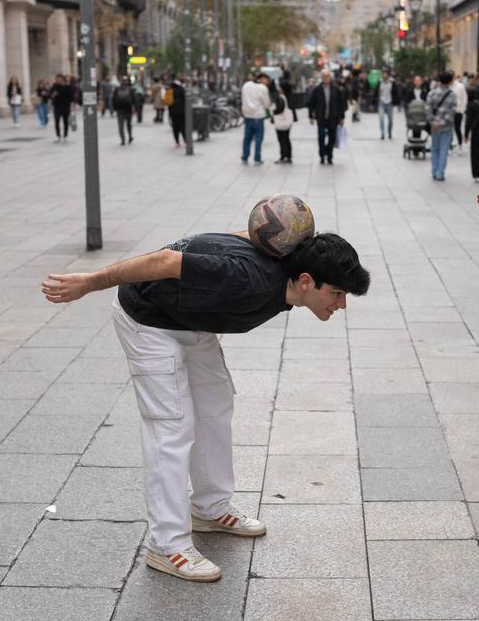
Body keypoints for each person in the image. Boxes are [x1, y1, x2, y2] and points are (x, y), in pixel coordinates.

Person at [41, 227, 371, 583]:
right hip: (149, 319)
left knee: (215, 406)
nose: (342, 304)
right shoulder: (247, 280)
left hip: (193, 316)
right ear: (306, 281)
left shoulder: (290, 256)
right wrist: (90, 282)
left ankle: (210, 509)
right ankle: (167, 545)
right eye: (337, 293)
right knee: (171, 426)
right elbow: (164, 261)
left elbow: (247, 233)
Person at [306, 70, 346, 165]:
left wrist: (341, 118)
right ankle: (322, 155)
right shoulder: (317, 89)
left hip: (333, 118)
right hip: (321, 118)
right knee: (321, 136)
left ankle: (329, 155)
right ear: (322, 78)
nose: (326, 78)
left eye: (327, 76)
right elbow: (311, 103)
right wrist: (311, 116)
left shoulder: (335, 89)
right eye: (324, 76)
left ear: (330, 78)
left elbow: (341, 104)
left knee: (332, 138)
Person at [426, 72, 457, 182]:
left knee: (434, 149)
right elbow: (452, 112)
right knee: (443, 150)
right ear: (449, 81)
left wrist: (434, 122)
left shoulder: (432, 93)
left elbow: (428, 110)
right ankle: (440, 173)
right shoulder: (452, 95)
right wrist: (442, 122)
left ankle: (434, 170)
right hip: (446, 127)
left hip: (434, 127)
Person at [240, 72, 272, 164]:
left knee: (247, 138)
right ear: (262, 78)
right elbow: (266, 104)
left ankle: (244, 157)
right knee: (258, 138)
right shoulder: (263, 88)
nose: (267, 83)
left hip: (247, 115)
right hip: (258, 116)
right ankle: (257, 158)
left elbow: (243, 98)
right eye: (267, 80)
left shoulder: (246, 85)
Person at [271, 82, 293, 164]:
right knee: (286, 138)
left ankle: (283, 156)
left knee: (282, 139)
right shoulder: (288, 97)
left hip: (281, 121)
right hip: (287, 121)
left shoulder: (281, 97)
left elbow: (280, 109)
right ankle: (288, 156)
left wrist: (273, 112)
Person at [48, 74, 73, 143]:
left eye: (60, 79)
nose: (58, 80)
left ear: (62, 79)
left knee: (65, 122)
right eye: (57, 79)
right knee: (57, 122)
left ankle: (65, 136)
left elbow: (71, 97)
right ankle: (58, 136)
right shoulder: (53, 87)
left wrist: (72, 106)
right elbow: (49, 96)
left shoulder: (67, 87)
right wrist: (53, 95)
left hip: (66, 107)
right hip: (57, 107)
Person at [376, 70, 401, 140]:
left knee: (390, 120)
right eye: (383, 75)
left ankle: (389, 132)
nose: (384, 76)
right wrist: (372, 103)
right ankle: (382, 134)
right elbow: (376, 92)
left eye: (385, 75)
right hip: (381, 103)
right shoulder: (380, 82)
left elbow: (396, 93)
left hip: (389, 103)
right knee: (381, 118)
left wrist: (396, 102)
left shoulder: (392, 83)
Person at [113, 75, 135, 145]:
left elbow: (113, 99)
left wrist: (115, 108)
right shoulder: (131, 89)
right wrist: (133, 107)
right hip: (128, 109)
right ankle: (130, 136)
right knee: (129, 124)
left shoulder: (117, 89)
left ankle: (123, 140)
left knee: (120, 125)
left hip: (120, 110)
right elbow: (134, 100)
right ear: (127, 81)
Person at [168, 75, 187, 148]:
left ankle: (177, 142)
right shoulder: (181, 89)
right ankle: (185, 141)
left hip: (172, 111)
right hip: (181, 111)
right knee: (183, 126)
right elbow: (185, 99)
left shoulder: (170, 89)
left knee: (175, 127)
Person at [452, 71, 468, 150]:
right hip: (449, 111)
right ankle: (450, 145)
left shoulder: (460, 86)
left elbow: (464, 98)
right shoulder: (446, 86)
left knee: (457, 127)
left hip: (458, 110)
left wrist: (463, 109)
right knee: (449, 128)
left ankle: (460, 143)